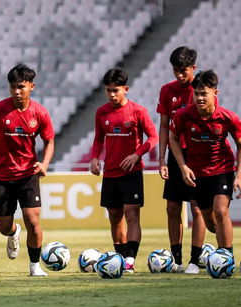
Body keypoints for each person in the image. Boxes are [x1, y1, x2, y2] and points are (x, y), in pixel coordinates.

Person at [0, 64, 55, 277]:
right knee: (4, 227)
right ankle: (14, 233)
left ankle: (34, 266)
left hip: (27, 175)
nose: (16, 91)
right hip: (1, 176)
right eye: (13, 86)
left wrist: (44, 164)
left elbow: (49, 141)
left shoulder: (40, 113)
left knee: (33, 220)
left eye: (21, 87)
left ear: (31, 86)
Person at [170, 70, 241, 267]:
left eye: (204, 93)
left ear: (215, 94)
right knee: (211, 223)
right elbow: (173, 138)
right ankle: (226, 249)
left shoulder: (228, 118)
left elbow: (240, 143)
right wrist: (183, 167)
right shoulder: (184, 115)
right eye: (196, 93)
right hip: (197, 174)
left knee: (221, 211)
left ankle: (226, 260)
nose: (200, 98)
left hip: (223, 170)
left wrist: (239, 175)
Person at [90, 68, 159, 273]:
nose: (112, 94)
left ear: (125, 89)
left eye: (116, 90)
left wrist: (137, 154)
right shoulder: (102, 112)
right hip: (110, 173)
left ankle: (130, 259)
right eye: (108, 90)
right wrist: (95, 158)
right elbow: (98, 139)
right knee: (114, 216)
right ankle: (119, 259)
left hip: (132, 172)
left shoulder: (138, 111)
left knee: (132, 215)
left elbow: (153, 137)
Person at [157, 46, 208, 274]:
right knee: (172, 208)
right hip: (174, 155)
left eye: (183, 70)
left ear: (193, 68)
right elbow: (163, 126)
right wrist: (161, 158)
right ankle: (176, 260)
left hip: (198, 154)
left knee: (197, 209)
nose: (179, 74)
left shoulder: (202, 90)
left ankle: (194, 262)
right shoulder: (167, 91)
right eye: (175, 70)